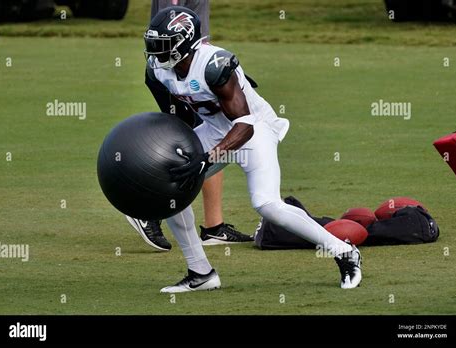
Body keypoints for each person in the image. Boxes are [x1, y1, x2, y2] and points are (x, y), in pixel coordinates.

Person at [144, 6, 363, 292]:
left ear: (183, 42)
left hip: (254, 129)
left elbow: (244, 124)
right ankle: (201, 273)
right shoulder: (157, 71)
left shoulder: (215, 64)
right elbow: (176, 117)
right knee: (170, 185)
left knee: (267, 204)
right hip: (213, 129)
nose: (155, 54)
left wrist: (207, 158)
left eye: (162, 46)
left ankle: (345, 253)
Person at [125, 0, 252, 251]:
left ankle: (214, 227)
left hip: (196, 65)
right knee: (190, 145)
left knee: (211, 140)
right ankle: (149, 207)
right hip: (176, 67)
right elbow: (167, 17)